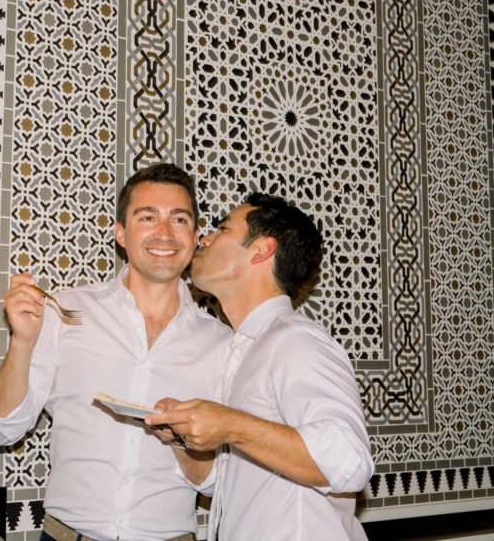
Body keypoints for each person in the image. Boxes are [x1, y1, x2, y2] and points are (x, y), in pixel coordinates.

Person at [0, 163, 232, 541]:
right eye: (147, 217)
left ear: (196, 237)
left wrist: (184, 442)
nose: (164, 233)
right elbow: (4, 429)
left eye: (179, 219)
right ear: (121, 233)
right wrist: (22, 341)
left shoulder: (223, 343)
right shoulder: (63, 311)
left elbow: (220, 485)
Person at [145, 192, 373, 540]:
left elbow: (349, 461)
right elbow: (221, 484)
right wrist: (182, 439)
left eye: (222, 228)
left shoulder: (296, 341)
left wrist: (230, 425)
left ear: (262, 249)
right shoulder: (241, 350)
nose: (203, 238)